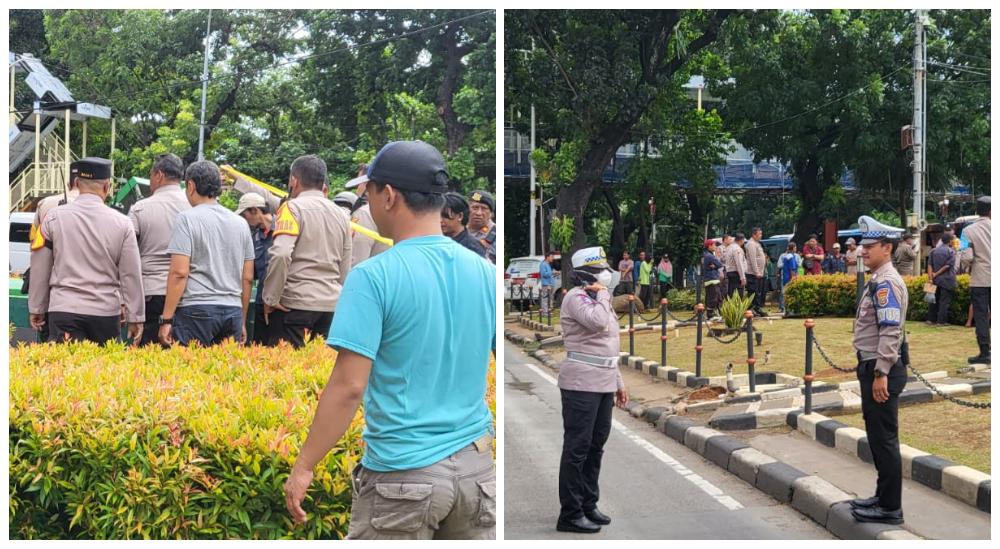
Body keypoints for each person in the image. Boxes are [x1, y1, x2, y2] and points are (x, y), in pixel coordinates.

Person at [284, 140, 495, 540]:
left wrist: (305, 465)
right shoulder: (483, 272)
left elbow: (349, 386)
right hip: (477, 473)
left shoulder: (373, 276)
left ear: (389, 196)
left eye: (369, 190)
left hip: (404, 475)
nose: (367, 200)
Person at [28, 157, 145, 344]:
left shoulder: (52, 219)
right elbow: (131, 273)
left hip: (63, 309)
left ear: (76, 183)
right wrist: (136, 317)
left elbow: (40, 267)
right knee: (100, 372)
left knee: (62, 371)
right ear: (107, 187)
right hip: (105, 313)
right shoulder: (123, 224)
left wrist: (36, 307)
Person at [554, 246, 628, 534]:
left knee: (596, 446)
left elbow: (609, 346)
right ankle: (570, 513)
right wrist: (605, 294)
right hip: (581, 383)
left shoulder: (597, 298)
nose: (606, 274)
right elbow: (597, 325)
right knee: (577, 449)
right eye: (600, 270)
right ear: (586, 274)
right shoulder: (575, 298)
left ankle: (588, 503)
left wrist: (619, 383)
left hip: (604, 382)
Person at [159, 160, 254, 347]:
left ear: (191, 186)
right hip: (232, 310)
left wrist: (167, 319)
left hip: (196, 310)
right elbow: (248, 277)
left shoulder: (186, 219)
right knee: (225, 374)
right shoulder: (240, 223)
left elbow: (179, 273)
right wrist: (241, 320)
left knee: (191, 372)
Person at [263, 155, 353, 348]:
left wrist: (271, 297)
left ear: (294, 181)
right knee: (317, 370)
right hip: (330, 306)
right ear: (323, 183)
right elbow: (346, 264)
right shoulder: (342, 215)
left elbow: (281, 253)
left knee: (284, 369)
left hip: (294, 304)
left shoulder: (291, 208)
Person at [849, 230, 908, 526]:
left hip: (880, 369)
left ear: (887, 248)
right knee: (877, 438)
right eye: (863, 247)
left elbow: (890, 330)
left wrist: (881, 371)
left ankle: (890, 508)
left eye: (870, 247)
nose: (863, 251)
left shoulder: (886, 282)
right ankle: (882, 496)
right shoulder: (879, 279)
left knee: (884, 440)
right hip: (873, 366)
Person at [128, 153, 191, 346]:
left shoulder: (140, 209)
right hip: (186, 293)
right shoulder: (193, 208)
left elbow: (128, 256)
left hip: (151, 293)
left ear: (159, 175)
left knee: (148, 360)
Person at [25, 163, 82, 342]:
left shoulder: (44, 204)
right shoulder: (101, 208)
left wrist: (36, 307)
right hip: (89, 294)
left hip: (52, 293)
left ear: (69, 183)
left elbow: (35, 246)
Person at [235, 192, 274, 344]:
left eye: (245, 216)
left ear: (255, 210)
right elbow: (250, 275)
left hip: (280, 304)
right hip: (260, 304)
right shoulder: (254, 237)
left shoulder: (283, 229)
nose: (244, 221)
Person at [960, 196, 990, 364]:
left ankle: (985, 352)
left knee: (981, 316)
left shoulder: (967, 231)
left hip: (980, 279)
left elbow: (967, 256)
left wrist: (966, 266)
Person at [346, 163, 391, 267]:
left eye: (360, 183)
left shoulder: (364, 213)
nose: (357, 189)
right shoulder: (391, 210)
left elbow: (357, 259)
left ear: (368, 185)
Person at [441, 192, 487, 258]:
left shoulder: (472, 248)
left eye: (445, 216)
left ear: (460, 216)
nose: (440, 220)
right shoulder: (435, 240)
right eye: (437, 216)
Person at [926, 233, 957, 326]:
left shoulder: (933, 250)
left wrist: (931, 277)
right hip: (947, 279)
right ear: (950, 241)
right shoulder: (951, 251)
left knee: (932, 300)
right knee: (944, 301)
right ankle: (941, 321)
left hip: (935, 280)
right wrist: (937, 273)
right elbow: (948, 266)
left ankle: (931, 319)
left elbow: (930, 265)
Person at [468, 190, 497, 263]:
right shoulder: (458, 230)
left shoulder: (495, 233)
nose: (478, 213)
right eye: (475, 208)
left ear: (491, 213)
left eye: (484, 208)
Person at [745, 227, 767, 316]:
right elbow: (753, 259)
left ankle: (757, 308)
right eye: (759, 234)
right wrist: (756, 271)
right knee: (753, 291)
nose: (761, 236)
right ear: (754, 234)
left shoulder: (756, 243)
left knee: (758, 291)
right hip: (753, 273)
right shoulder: (751, 244)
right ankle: (753, 309)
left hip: (759, 272)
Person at [702, 240, 724, 319]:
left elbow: (716, 264)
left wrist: (714, 266)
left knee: (716, 297)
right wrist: (715, 266)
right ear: (709, 246)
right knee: (713, 298)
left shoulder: (706, 255)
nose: (715, 246)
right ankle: (711, 314)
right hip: (712, 279)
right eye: (714, 245)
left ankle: (715, 313)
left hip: (712, 279)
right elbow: (719, 264)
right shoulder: (709, 256)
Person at [777, 242, 799, 313]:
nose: (796, 248)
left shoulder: (787, 256)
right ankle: (789, 310)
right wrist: (793, 278)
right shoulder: (791, 257)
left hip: (785, 278)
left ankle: (786, 309)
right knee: (790, 294)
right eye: (795, 247)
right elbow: (792, 269)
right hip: (789, 278)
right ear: (793, 248)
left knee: (785, 294)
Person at [724, 233, 747, 298]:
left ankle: (731, 307)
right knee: (738, 293)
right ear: (741, 240)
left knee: (731, 291)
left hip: (730, 272)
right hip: (736, 273)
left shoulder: (729, 247)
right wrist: (742, 277)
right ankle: (737, 308)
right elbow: (739, 263)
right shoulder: (737, 249)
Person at [539, 251, 557, 318]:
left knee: (550, 298)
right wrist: (552, 272)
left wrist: (554, 273)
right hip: (546, 284)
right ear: (547, 257)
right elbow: (544, 274)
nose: (553, 258)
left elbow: (549, 274)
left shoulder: (548, 264)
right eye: (552, 257)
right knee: (545, 299)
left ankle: (548, 311)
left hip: (550, 283)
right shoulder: (543, 264)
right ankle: (545, 313)